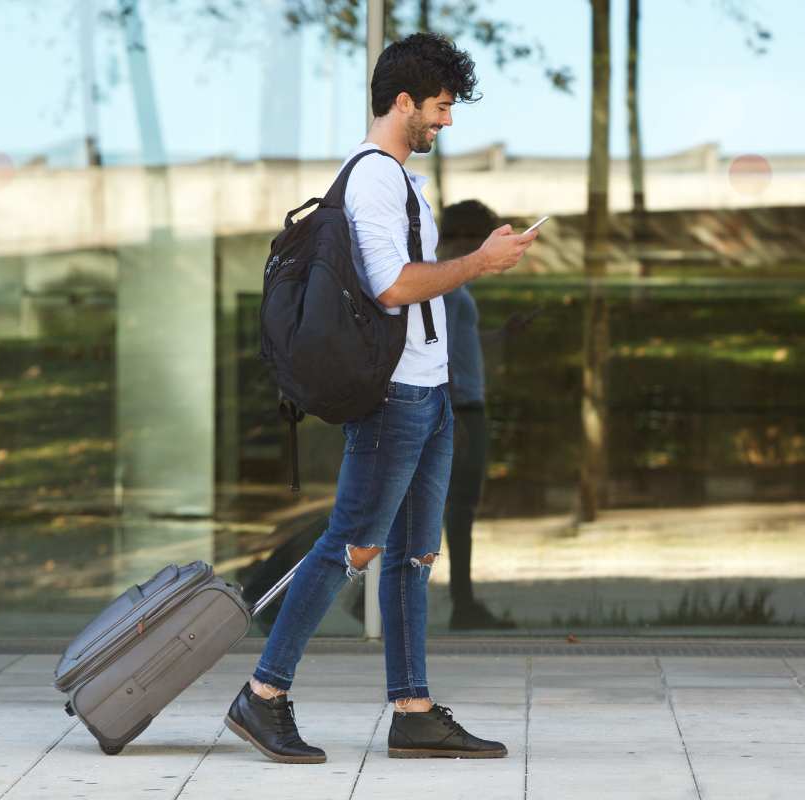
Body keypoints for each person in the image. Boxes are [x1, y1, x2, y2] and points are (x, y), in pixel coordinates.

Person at [225, 32, 539, 764]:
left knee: (410, 556)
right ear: (403, 102)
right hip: (395, 396)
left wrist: (471, 260)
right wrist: (479, 263)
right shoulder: (371, 178)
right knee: (350, 545)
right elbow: (392, 284)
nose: (447, 121)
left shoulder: (400, 179)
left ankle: (413, 708)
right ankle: (263, 694)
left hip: (428, 393)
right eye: (440, 106)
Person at [440, 200, 523, 631]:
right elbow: (439, 352)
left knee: (452, 508)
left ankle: (462, 601)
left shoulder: (453, 281)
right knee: (458, 508)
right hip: (461, 408)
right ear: (469, 238)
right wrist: (452, 415)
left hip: (464, 405)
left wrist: (500, 336)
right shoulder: (450, 282)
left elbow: (460, 342)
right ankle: (463, 603)